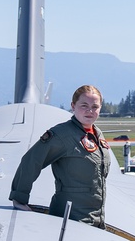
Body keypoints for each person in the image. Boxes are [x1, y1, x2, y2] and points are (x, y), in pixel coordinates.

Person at [9, 85, 111, 228]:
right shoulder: (62, 135)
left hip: (95, 219)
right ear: (73, 106)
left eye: (95, 106)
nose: (90, 111)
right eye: (84, 105)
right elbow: (32, 160)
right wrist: (19, 197)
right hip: (69, 219)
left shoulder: (97, 134)